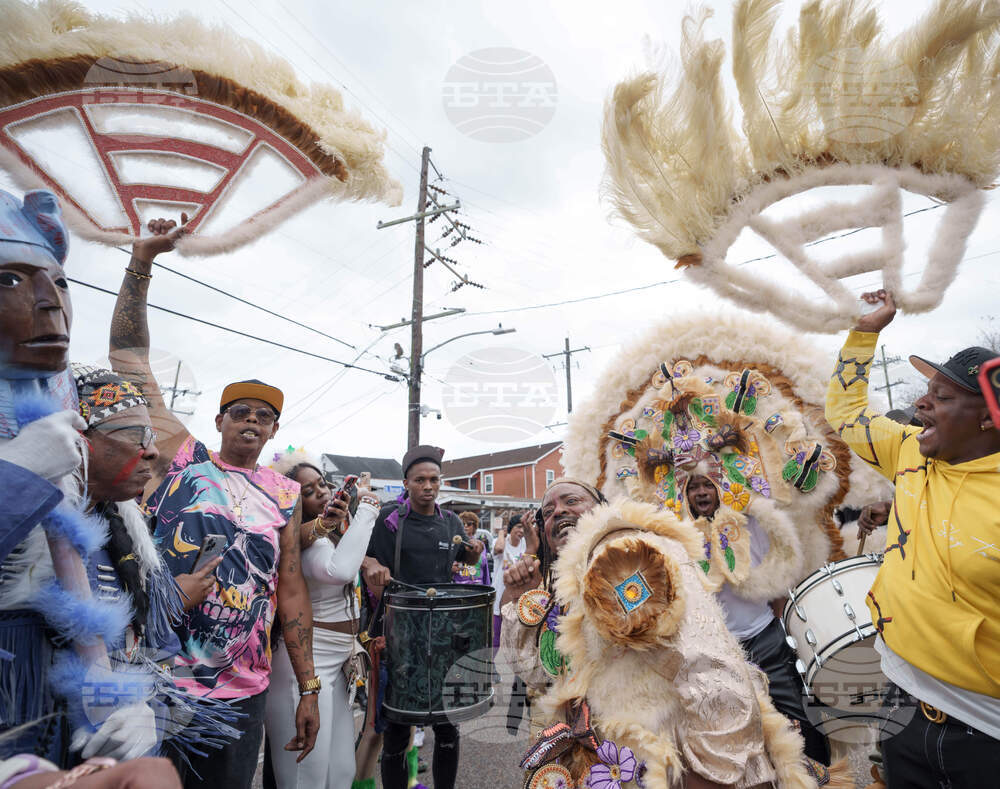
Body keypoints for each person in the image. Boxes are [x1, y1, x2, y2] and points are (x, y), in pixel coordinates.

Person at [107, 217, 319, 789]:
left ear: (275, 432)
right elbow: (127, 355)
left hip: (241, 693)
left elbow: (290, 586)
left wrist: (309, 688)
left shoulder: (285, 493)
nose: (251, 421)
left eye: (264, 416)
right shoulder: (183, 459)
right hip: (161, 680)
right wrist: (142, 263)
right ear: (219, 420)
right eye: (240, 413)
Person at [826, 289, 1000, 787]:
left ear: (989, 417)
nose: (920, 402)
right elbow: (845, 412)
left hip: (986, 735)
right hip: (901, 704)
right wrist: (865, 333)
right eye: (929, 389)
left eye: (943, 397)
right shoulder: (909, 450)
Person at [684, 472, 831, 765]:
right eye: (693, 487)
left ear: (720, 489)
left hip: (765, 637)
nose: (701, 493)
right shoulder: (681, 537)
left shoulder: (751, 525)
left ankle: (821, 776)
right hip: (717, 650)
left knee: (798, 716)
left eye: (707, 485)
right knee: (734, 729)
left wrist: (779, 629)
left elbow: (777, 580)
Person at [362, 445, 482, 789]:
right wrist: (370, 563)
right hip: (399, 635)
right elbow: (357, 553)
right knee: (398, 729)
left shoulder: (451, 522)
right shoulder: (388, 520)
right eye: (420, 480)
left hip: (443, 634)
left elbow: (469, 561)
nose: (428, 486)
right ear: (406, 483)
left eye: (433, 479)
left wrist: (475, 551)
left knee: (448, 726)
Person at [264, 453, 380, 789]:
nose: (322, 493)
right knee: (305, 777)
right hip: (305, 664)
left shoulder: (325, 536)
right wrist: (369, 505)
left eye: (322, 484)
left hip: (339, 661)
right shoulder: (297, 542)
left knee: (340, 773)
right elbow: (339, 570)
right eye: (308, 491)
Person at [452, 512, 490, 585]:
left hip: (479, 586)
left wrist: (488, 586)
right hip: (459, 586)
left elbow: (485, 568)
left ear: (474, 526)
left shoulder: (480, 545)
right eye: (462, 524)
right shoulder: (455, 543)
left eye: (469, 524)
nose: (465, 526)